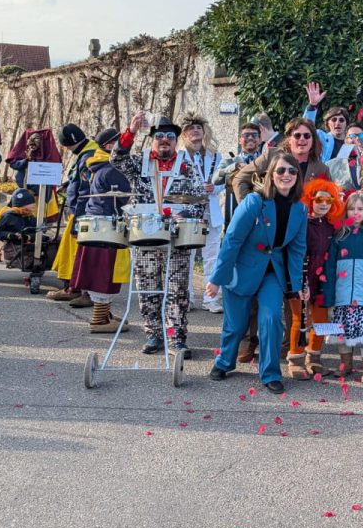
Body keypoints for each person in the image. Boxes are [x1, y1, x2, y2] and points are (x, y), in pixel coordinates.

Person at [206, 152, 309, 394]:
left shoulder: (300, 209)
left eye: (292, 171)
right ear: (271, 174)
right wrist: (217, 279)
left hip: (273, 272)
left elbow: (297, 249)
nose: (286, 175)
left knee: (271, 318)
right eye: (280, 170)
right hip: (242, 268)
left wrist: (297, 285)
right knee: (236, 325)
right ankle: (224, 361)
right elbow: (232, 240)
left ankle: (270, 373)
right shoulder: (254, 201)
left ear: (298, 176)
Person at [111, 113, 209, 358]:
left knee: (177, 289)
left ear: (176, 140)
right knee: (147, 287)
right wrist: (131, 132)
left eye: (170, 136)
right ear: (152, 139)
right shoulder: (139, 162)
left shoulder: (187, 165)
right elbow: (116, 159)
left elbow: (200, 200)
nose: (164, 140)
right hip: (145, 235)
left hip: (177, 238)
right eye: (159, 136)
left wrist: (184, 214)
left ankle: (176, 336)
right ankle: (154, 333)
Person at [70, 128, 133, 334]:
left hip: (96, 225)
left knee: (102, 272)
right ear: (109, 146)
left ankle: (104, 314)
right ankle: (99, 320)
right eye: (119, 142)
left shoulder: (98, 165)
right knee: (105, 274)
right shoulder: (112, 169)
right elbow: (126, 198)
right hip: (107, 228)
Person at [321, 190, 363, 383]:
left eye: (360, 209)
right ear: (345, 211)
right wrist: (328, 295)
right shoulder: (338, 238)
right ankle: (346, 363)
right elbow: (330, 269)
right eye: (351, 209)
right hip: (342, 297)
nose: (356, 213)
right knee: (343, 332)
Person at [286, 177, 344, 379]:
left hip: (321, 281)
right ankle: (295, 359)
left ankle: (314, 358)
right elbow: (293, 253)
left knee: (321, 320)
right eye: (319, 200)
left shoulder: (329, 225)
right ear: (310, 200)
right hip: (300, 278)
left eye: (329, 200)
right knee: (299, 319)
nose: (324, 204)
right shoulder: (301, 222)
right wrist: (300, 283)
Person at [47, 123, 99, 303]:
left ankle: (77, 290)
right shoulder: (87, 152)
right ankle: (73, 287)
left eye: (67, 146)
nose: (67, 149)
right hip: (79, 211)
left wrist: (78, 218)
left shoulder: (88, 157)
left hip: (81, 213)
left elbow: (85, 190)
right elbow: (78, 180)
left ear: (69, 144)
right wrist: (68, 184)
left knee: (76, 255)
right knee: (72, 253)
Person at [179, 112, 225, 313]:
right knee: (187, 256)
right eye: (191, 128)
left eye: (198, 127)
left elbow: (222, 181)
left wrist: (214, 188)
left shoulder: (216, 156)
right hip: (188, 212)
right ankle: (186, 297)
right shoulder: (179, 156)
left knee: (212, 256)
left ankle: (211, 299)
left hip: (210, 212)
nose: (195, 131)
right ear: (185, 134)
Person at [232, 118, 331, 201]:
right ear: (289, 139)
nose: (302, 139)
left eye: (307, 135)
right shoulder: (271, 156)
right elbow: (240, 179)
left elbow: (328, 199)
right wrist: (250, 210)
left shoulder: (322, 169)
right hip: (271, 217)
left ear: (313, 140)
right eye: (297, 135)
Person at [4, 129, 62, 219]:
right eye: (31, 141)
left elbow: (53, 169)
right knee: (23, 217)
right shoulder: (25, 152)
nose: (33, 144)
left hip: (41, 193)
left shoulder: (47, 155)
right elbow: (14, 164)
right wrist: (26, 161)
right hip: (24, 192)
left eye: (37, 141)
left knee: (41, 218)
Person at [214, 121, 263, 223]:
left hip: (262, 215)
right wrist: (234, 167)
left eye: (254, 135)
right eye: (246, 135)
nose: (250, 138)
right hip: (236, 215)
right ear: (239, 140)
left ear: (260, 139)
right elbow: (215, 179)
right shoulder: (228, 162)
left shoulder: (268, 161)